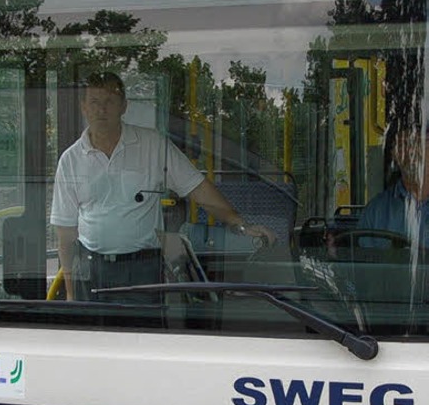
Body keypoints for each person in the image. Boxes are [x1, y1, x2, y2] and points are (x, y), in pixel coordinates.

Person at [51, 72, 276, 300]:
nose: (102, 110)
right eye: (95, 102)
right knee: (93, 336)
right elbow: (65, 232)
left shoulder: (152, 145)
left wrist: (239, 224)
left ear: (124, 106)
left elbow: (197, 187)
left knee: (145, 335)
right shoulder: (70, 160)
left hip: (143, 269)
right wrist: (70, 292)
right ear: (84, 108)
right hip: (91, 270)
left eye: (109, 101)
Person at [358, 125, 429, 245]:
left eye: (419, 142)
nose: (411, 151)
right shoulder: (375, 211)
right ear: (394, 154)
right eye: (403, 144)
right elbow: (362, 260)